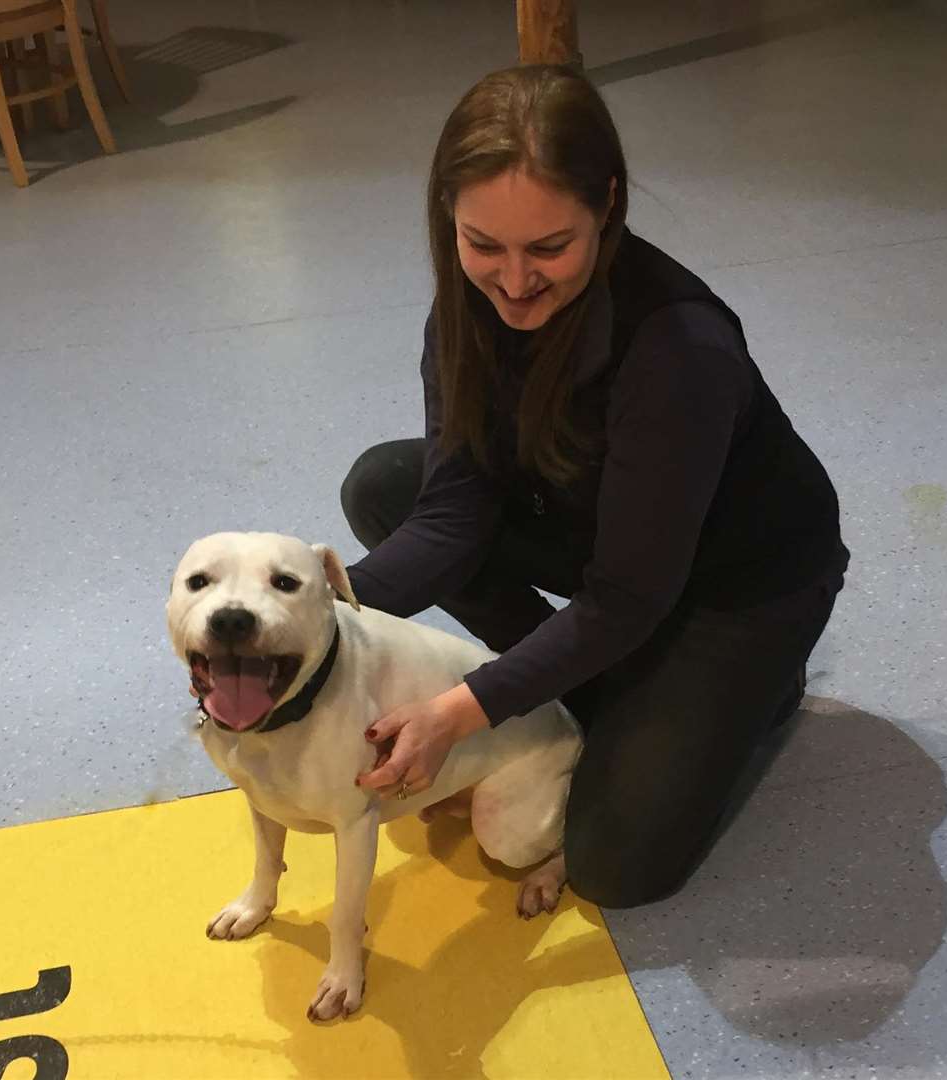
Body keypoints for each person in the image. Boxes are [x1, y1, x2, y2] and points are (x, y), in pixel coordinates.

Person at [342, 64, 848, 909]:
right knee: (387, 486)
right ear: (447, 217)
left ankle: (751, 687)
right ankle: (604, 688)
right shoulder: (462, 316)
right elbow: (452, 511)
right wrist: (312, 615)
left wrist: (462, 711)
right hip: (612, 536)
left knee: (617, 867)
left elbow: (627, 593)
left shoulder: (677, 347)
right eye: (481, 244)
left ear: (607, 203)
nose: (511, 281)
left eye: (549, 247)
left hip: (739, 587)